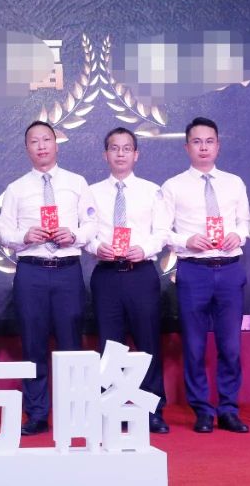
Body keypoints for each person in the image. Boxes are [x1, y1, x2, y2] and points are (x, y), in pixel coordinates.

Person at [0, 120, 96, 435]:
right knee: (33, 344)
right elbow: (3, 232)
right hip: (31, 271)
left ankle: (75, 413)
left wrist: (75, 234)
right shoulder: (16, 188)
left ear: (56, 144)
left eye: (46, 140)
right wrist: (24, 236)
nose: (41, 146)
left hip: (67, 270)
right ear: (26, 148)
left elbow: (91, 225)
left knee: (71, 344)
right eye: (34, 141)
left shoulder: (77, 183)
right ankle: (37, 414)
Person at [156, 117, 250, 434]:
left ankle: (228, 409)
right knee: (194, 346)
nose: (204, 147)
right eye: (197, 142)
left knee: (230, 346)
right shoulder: (173, 186)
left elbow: (246, 222)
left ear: (218, 145)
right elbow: (162, 231)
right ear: (187, 147)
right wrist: (187, 240)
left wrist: (238, 234)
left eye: (209, 141)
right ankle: (202, 410)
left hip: (229, 269)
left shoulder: (234, 183)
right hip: (193, 271)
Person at [87, 127, 169, 434]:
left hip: (141, 273)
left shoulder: (152, 191)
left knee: (148, 343)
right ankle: (112, 409)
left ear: (136, 155)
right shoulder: (91, 192)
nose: (120, 154)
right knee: (110, 347)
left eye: (126, 149)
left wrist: (143, 249)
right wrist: (97, 247)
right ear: (105, 154)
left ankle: (153, 411)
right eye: (114, 148)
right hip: (107, 275)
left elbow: (162, 232)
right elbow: (85, 232)